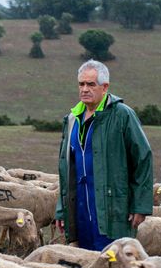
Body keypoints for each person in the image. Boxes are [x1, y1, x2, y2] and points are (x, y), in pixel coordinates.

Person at [54, 60, 153, 250]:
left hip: (113, 207)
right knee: (84, 259)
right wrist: (62, 208)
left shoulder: (122, 115)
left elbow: (143, 158)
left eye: (91, 84)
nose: (84, 89)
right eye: (81, 84)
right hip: (80, 207)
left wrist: (140, 206)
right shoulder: (72, 119)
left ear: (105, 87)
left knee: (113, 258)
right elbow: (65, 170)